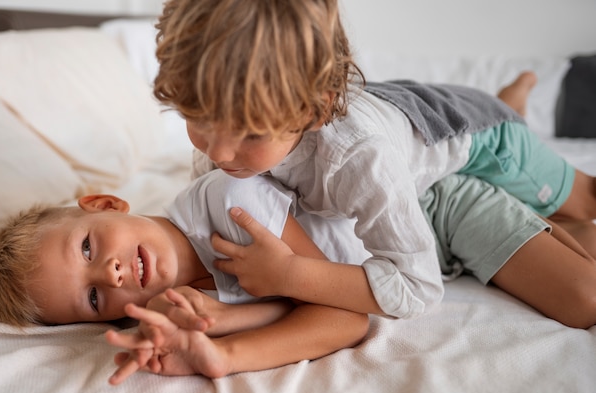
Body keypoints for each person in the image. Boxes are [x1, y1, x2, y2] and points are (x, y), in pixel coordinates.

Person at [152, 0, 596, 324]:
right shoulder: (224, 142)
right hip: (402, 131)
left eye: (250, 134)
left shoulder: (356, 155)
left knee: (580, 201)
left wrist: (293, 275)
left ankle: (508, 104)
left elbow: (419, 289)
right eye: (199, 121)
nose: (219, 152)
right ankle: (511, 99)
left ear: (315, 111)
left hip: (476, 135)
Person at [0, 169, 370, 382]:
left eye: (87, 247)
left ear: (106, 204)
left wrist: (231, 352)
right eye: (94, 298)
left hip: (425, 209)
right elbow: (302, 310)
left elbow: (347, 317)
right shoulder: (190, 310)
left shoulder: (229, 201)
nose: (111, 274)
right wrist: (220, 339)